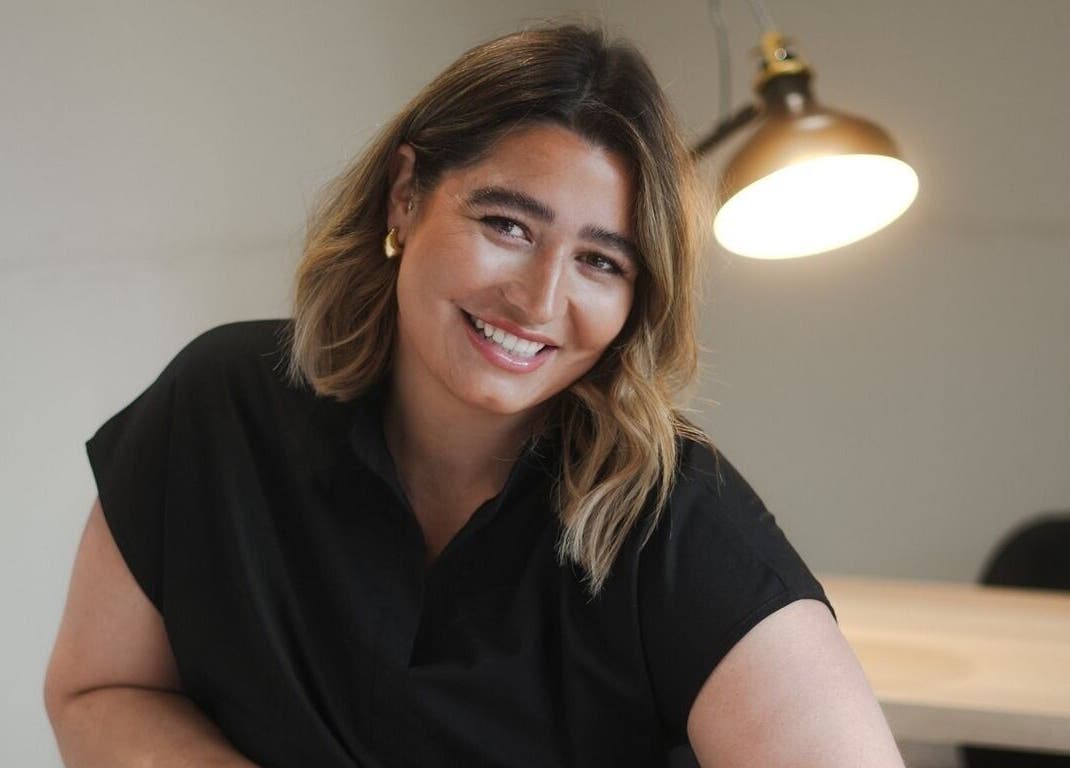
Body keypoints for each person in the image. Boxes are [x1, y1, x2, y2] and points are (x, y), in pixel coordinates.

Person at [44, 23, 905, 768]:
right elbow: (97, 690)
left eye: (601, 262)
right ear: (406, 194)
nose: (537, 300)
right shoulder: (221, 404)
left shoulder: (677, 521)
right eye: (507, 225)